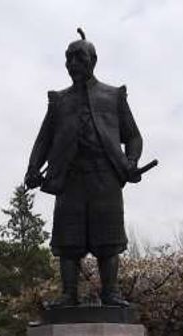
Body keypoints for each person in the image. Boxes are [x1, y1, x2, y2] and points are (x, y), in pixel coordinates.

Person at [24, 28, 145, 308]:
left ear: (93, 60)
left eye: (79, 58)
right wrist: (32, 167)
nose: (73, 64)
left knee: (109, 239)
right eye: (69, 59)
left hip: (106, 178)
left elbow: (134, 136)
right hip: (69, 179)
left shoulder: (113, 96)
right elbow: (43, 140)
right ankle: (68, 294)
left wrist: (132, 161)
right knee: (68, 241)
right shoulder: (60, 101)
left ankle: (111, 293)